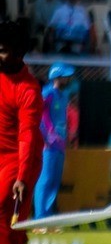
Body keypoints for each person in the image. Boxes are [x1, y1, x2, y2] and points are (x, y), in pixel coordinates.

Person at [0, 20, 42, 244]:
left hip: (18, 159)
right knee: (9, 227)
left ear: (19, 53)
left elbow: (27, 135)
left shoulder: (28, 89)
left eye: (3, 50)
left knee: (3, 217)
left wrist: (22, 177)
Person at [35, 63, 75, 219]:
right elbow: (40, 116)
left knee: (55, 180)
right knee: (45, 180)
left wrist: (67, 138)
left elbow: (62, 119)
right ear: (57, 77)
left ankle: (49, 217)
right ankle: (40, 217)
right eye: (66, 77)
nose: (69, 79)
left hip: (60, 144)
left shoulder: (64, 96)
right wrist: (45, 137)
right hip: (48, 145)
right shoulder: (47, 93)